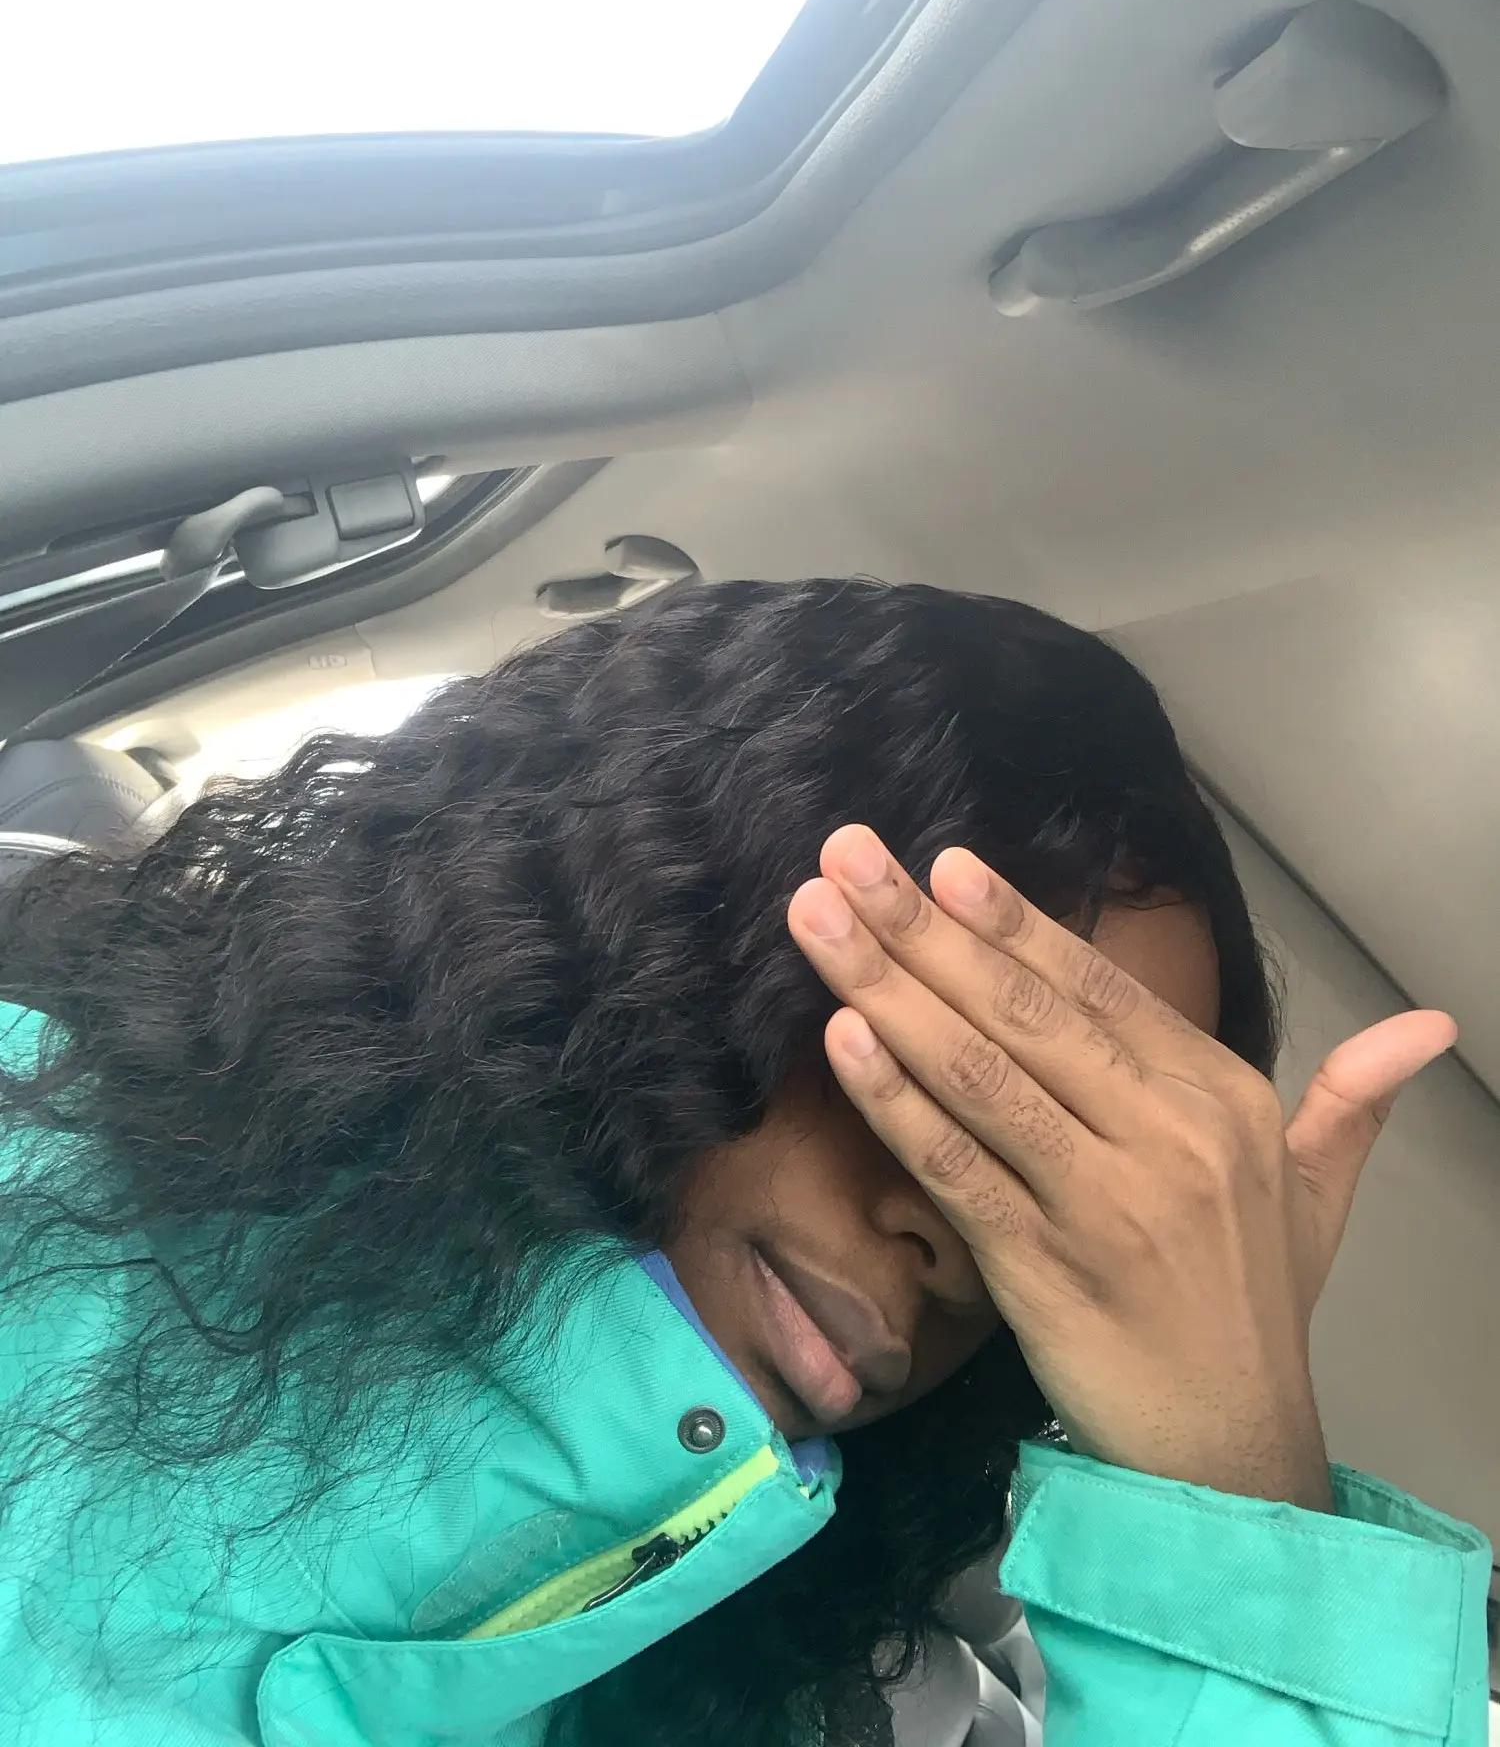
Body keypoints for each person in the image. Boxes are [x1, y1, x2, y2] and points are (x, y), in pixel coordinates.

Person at [0, 577, 1488, 1747]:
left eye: (1057, 1182)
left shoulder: (770, 1687)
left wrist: (1238, 1504)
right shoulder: (33, 1156)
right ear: (662, 919)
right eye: (932, 1062)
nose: (956, 1238)